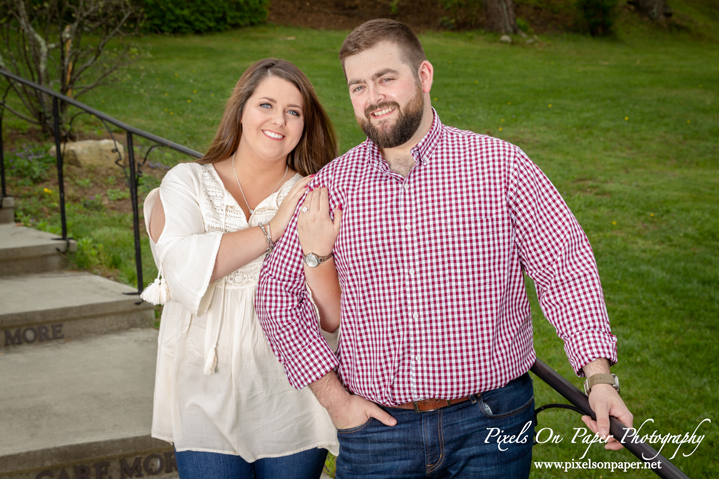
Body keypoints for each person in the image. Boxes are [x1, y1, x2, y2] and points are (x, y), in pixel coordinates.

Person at [256, 20, 633, 479]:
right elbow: (275, 298)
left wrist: (597, 377)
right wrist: (336, 403)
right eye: (358, 86)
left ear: (424, 76)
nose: (373, 97)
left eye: (386, 78)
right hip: (378, 435)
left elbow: (565, 267)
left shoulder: (502, 167)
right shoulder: (331, 186)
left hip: (492, 425)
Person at [141, 58, 341, 479]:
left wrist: (315, 252)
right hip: (201, 389)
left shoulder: (315, 193)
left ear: (305, 124)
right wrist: (272, 228)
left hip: (292, 392)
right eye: (265, 105)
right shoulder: (188, 182)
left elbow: (332, 315)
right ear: (241, 110)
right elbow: (180, 270)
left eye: (293, 111)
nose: (279, 121)